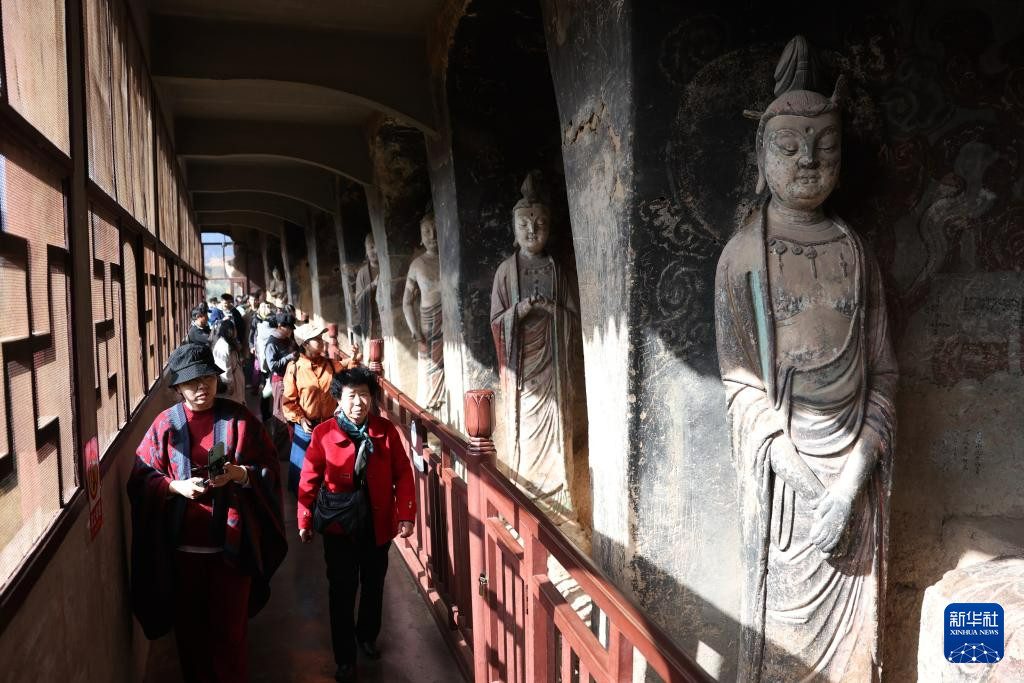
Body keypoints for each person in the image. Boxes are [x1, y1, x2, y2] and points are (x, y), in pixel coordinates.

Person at [127, 343, 287, 683]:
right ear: (177, 388)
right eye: (191, 382)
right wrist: (175, 487)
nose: (202, 387)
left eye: (208, 379)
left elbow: (270, 470)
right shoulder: (164, 425)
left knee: (230, 637)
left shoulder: (239, 419)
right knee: (191, 637)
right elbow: (140, 479)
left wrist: (240, 474)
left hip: (232, 553)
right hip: (182, 555)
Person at [297, 366, 416, 683]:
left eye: (364, 395)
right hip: (339, 526)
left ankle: (367, 635)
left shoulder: (385, 431)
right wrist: (304, 517)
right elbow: (309, 478)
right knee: (341, 591)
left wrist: (406, 514)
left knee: (374, 585)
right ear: (338, 399)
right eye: (351, 396)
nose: (359, 402)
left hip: (378, 523)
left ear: (371, 398)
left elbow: (403, 473)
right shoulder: (324, 434)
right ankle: (345, 657)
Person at [282, 323, 362, 495]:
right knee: (302, 475)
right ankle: (303, 506)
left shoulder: (331, 365)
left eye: (321, 337)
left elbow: (347, 371)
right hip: (306, 427)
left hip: (330, 425)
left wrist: (354, 358)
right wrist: (301, 419)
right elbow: (288, 402)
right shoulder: (294, 368)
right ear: (305, 344)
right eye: (317, 339)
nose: (322, 341)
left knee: (331, 470)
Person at [265, 312, 299, 457]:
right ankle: (278, 452)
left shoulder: (287, 339)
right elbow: (272, 365)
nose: (290, 331)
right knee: (280, 416)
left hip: (289, 380)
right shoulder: (272, 343)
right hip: (279, 382)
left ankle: (287, 450)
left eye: (291, 328)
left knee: (289, 413)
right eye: (288, 328)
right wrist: (289, 357)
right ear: (280, 326)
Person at [212, 318, 246, 405]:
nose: (236, 331)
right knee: (233, 404)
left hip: (235, 379)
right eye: (234, 329)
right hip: (231, 383)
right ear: (230, 331)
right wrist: (229, 385)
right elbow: (224, 368)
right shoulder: (223, 346)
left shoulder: (227, 342)